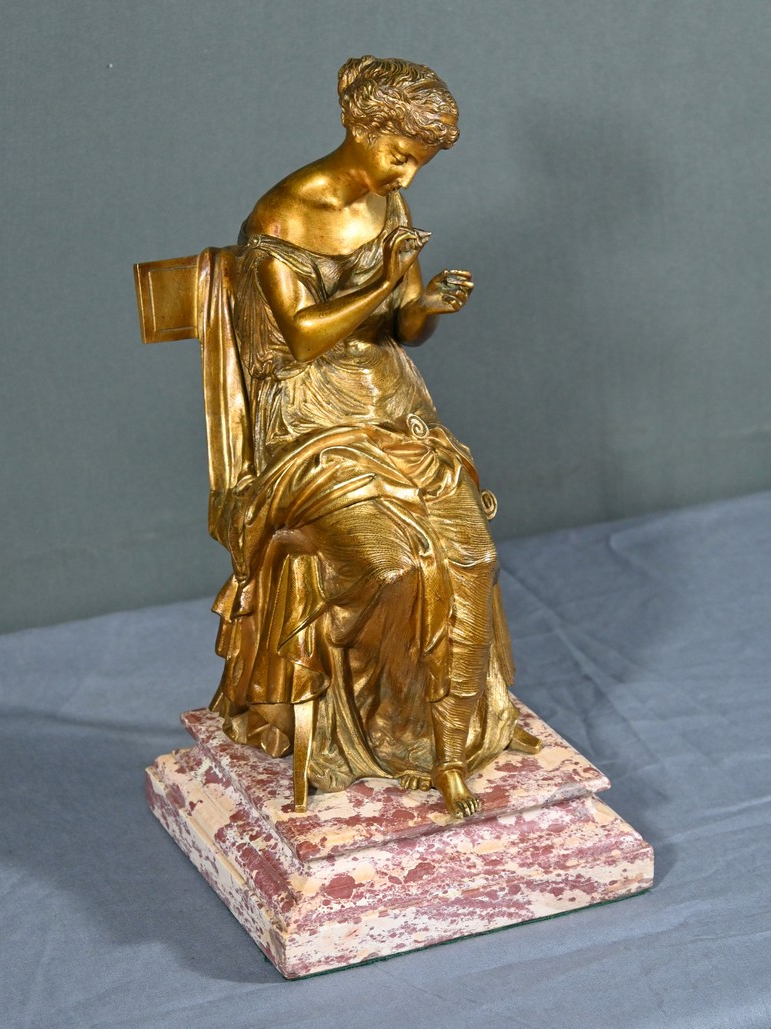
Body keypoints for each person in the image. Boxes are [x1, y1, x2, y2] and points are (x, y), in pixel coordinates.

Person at [203, 56, 539, 818]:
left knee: (472, 555)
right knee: (393, 567)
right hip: (312, 424)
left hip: (392, 408)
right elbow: (303, 336)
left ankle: (457, 737)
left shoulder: (389, 205)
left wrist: (427, 306)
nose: (406, 176)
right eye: (399, 156)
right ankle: (388, 736)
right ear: (361, 126)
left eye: (419, 164)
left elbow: (402, 326)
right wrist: (382, 283)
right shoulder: (281, 217)